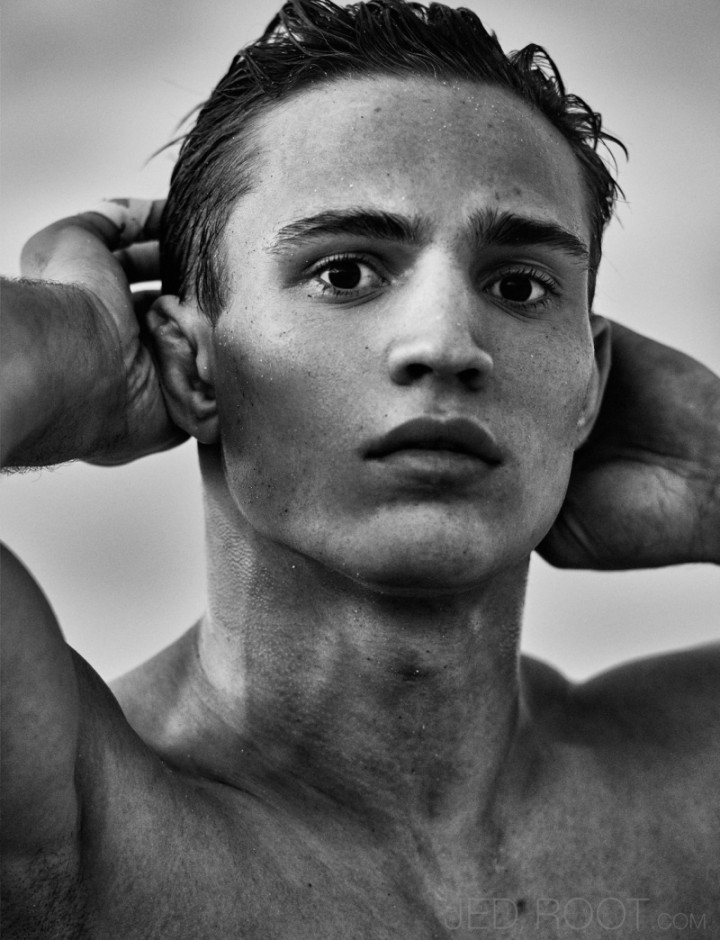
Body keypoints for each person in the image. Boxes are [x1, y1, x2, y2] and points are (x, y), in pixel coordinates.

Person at [2, 0, 718, 936]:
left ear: (591, 382)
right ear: (191, 363)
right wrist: (83, 341)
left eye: (518, 286)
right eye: (344, 273)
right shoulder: (66, 814)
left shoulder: (696, 785)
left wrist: (711, 475)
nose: (447, 345)